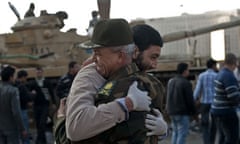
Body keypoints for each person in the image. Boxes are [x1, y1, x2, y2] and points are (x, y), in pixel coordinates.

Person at [54, 23, 167, 144]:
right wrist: (127, 104)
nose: (93, 59)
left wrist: (162, 132)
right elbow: (76, 130)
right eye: (153, 57)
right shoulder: (91, 75)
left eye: (98, 54)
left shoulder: (136, 83)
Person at [210, 53, 240, 144]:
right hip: (226, 112)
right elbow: (233, 97)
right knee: (232, 138)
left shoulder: (220, 73)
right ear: (234, 63)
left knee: (222, 136)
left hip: (217, 110)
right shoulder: (229, 75)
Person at [166, 62, 196, 144]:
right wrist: (193, 113)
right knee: (182, 133)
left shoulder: (171, 81)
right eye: (188, 70)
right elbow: (190, 100)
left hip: (171, 111)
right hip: (182, 112)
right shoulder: (186, 83)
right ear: (185, 71)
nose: (188, 72)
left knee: (175, 132)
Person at [27, 67, 56, 144]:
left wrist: (53, 103)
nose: (38, 73)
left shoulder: (47, 82)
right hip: (36, 105)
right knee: (37, 122)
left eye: (40, 72)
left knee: (42, 122)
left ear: (42, 72)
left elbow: (51, 92)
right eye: (37, 72)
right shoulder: (32, 83)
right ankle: (43, 140)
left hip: (45, 105)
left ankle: (38, 140)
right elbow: (29, 93)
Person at [193, 58, 218, 144]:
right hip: (214, 103)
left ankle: (206, 142)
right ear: (213, 66)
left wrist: (194, 99)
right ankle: (212, 141)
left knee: (205, 124)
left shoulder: (201, 76)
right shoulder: (216, 75)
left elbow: (198, 89)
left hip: (204, 103)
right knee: (214, 125)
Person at [0, 66, 27, 144]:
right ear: (10, 77)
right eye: (14, 76)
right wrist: (22, 128)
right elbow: (16, 112)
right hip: (11, 129)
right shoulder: (13, 91)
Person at [15, 70, 32, 144]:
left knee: (18, 133)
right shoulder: (22, 86)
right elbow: (26, 97)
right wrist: (32, 95)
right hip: (22, 110)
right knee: (25, 132)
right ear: (22, 77)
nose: (26, 80)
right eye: (25, 78)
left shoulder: (13, 85)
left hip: (15, 111)